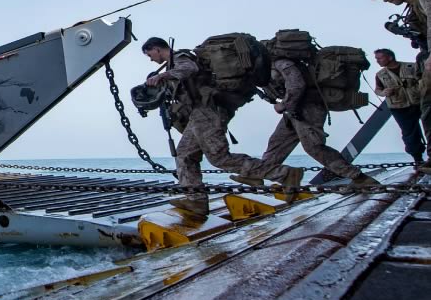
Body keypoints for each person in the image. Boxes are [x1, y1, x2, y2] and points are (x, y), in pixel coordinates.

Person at [143, 37, 304, 217]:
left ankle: (284, 174)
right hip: (200, 113)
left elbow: (190, 69)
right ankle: (196, 200)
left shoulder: (180, 57)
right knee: (185, 154)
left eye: (150, 54)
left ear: (156, 48)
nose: (151, 59)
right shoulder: (175, 63)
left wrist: (162, 76)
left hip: (208, 111)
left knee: (219, 157)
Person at [234, 50, 379, 189]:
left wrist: (284, 104)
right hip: (294, 110)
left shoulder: (282, 63)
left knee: (314, 147)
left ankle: (359, 178)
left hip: (309, 107)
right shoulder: (267, 66)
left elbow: (297, 85)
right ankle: (257, 174)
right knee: (277, 143)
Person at [369, 0, 431, 169]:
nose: (386, 0)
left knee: (429, 108)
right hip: (401, 105)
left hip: (420, 82)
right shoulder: (413, 9)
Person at [374, 48, 426, 165]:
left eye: (380, 58)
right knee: (409, 134)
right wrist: (384, 92)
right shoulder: (380, 75)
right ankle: (418, 160)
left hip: (420, 103)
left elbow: (425, 80)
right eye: (376, 59)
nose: (377, 61)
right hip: (399, 107)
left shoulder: (411, 67)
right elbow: (377, 89)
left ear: (390, 57)